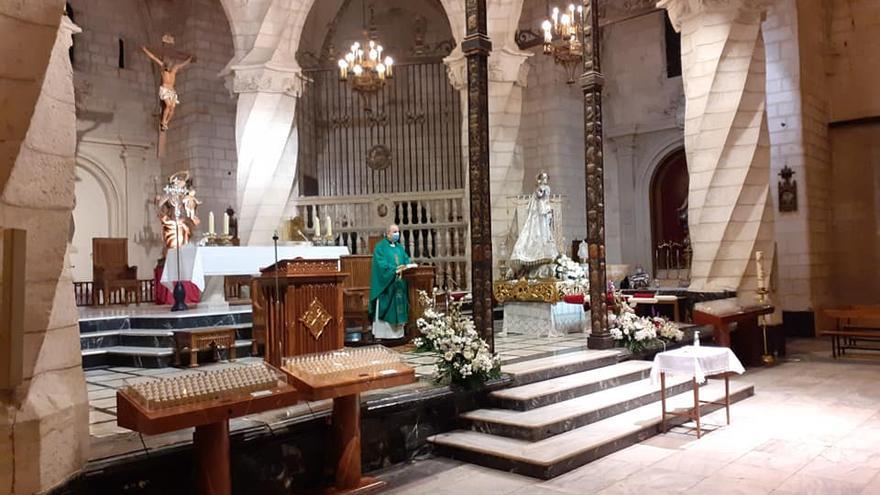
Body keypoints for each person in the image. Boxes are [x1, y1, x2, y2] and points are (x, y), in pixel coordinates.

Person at [507, 172, 559, 279]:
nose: (545, 180)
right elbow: (538, 196)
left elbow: (543, 196)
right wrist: (538, 190)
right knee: (536, 229)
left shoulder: (546, 188)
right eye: (543, 178)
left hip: (544, 209)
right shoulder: (538, 189)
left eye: (546, 178)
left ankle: (545, 250)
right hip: (538, 211)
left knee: (545, 229)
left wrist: (540, 190)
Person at [369, 224, 413, 341]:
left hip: (399, 283)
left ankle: (398, 334)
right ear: (387, 233)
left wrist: (408, 265)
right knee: (387, 307)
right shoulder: (380, 247)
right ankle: (384, 334)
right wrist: (395, 269)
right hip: (388, 285)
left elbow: (406, 259)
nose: (396, 234)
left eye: (397, 232)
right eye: (394, 232)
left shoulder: (399, 248)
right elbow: (380, 265)